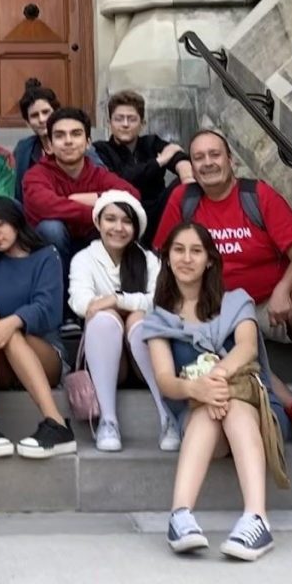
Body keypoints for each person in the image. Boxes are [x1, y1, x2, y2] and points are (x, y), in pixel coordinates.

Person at [153, 130, 292, 452]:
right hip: (221, 310)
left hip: (271, 306)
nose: (207, 163)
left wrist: (284, 289)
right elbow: (164, 255)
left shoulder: (257, 196)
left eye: (214, 155)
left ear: (231, 160)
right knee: (213, 331)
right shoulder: (183, 201)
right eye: (198, 157)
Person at [141, 222, 281, 561]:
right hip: (201, 416)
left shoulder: (237, 302)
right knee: (207, 411)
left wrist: (216, 379)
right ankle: (181, 516)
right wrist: (196, 389)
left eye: (195, 250)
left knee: (230, 404)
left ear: (209, 260)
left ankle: (256, 518)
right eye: (178, 250)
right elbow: (165, 380)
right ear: (167, 258)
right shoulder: (158, 318)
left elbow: (246, 348)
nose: (186, 258)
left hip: (253, 411)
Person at [0, 197, 75, 459]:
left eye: (0, 224)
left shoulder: (46, 256)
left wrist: (13, 321)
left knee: (11, 334)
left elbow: (48, 307)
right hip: (1, 360)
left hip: (45, 353)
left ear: (16, 220)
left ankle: (57, 423)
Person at [68, 190, 175, 452]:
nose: (118, 227)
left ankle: (169, 417)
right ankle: (108, 421)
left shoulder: (148, 260)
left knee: (139, 318)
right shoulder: (84, 259)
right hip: (109, 361)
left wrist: (119, 300)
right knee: (104, 319)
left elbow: (160, 301)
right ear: (98, 223)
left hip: (146, 356)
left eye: (126, 221)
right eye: (110, 219)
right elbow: (81, 303)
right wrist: (113, 309)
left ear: (136, 227)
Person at [22, 106, 139, 331]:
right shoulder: (36, 175)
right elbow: (45, 205)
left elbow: (131, 195)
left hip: (90, 243)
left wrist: (91, 199)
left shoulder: (97, 174)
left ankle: (104, 303)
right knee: (52, 228)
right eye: (59, 135)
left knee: (111, 227)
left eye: (76, 134)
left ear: (87, 142)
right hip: (53, 250)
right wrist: (97, 209)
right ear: (49, 145)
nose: (68, 141)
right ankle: (64, 311)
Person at [94, 90, 194, 244]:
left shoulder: (151, 142)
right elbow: (121, 178)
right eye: (119, 119)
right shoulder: (100, 149)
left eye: (132, 119)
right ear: (109, 123)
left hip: (158, 210)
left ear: (142, 124)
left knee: (183, 186)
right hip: (122, 213)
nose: (125, 124)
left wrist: (188, 178)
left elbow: (178, 156)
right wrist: (159, 162)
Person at [12, 79, 102, 201]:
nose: (42, 119)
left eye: (46, 112)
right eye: (34, 115)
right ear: (28, 123)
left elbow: (102, 183)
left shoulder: (75, 144)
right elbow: (18, 192)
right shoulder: (24, 149)